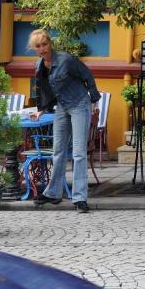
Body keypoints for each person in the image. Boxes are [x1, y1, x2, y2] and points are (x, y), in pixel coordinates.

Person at [29, 29, 101, 213]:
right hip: (62, 106)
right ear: (34, 48)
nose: (42, 49)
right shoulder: (39, 66)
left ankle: (79, 198)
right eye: (38, 46)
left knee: (78, 153)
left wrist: (93, 100)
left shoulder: (66, 60)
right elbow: (45, 90)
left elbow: (87, 75)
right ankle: (53, 192)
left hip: (79, 104)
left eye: (45, 44)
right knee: (58, 151)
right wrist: (41, 110)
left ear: (50, 43)